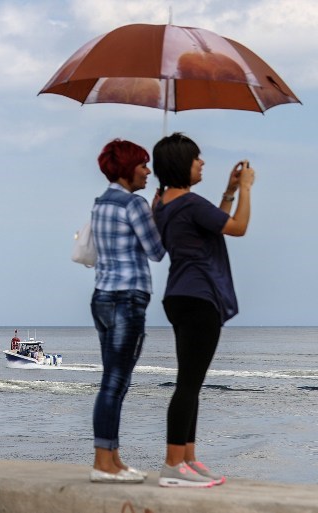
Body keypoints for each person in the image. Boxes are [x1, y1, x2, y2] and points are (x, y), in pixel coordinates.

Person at [152, 133, 255, 488]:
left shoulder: (164, 204)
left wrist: (228, 191)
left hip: (179, 295)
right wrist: (247, 189)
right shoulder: (191, 203)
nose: (203, 162)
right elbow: (237, 228)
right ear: (182, 163)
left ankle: (187, 458)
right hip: (199, 297)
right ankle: (171, 464)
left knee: (190, 383)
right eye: (197, 158)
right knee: (188, 384)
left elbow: (213, 227)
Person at [89, 139, 166, 484]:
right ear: (127, 168)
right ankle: (103, 464)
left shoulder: (100, 203)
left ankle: (112, 459)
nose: (148, 171)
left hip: (102, 296)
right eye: (143, 165)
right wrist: (157, 212)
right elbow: (156, 250)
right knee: (115, 381)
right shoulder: (134, 204)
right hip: (128, 298)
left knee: (112, 379)